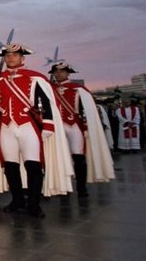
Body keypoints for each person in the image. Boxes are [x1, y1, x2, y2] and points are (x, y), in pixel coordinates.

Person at [0, 44, 73, 218]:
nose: (10, 58)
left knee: (33, 165)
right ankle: (17, 200)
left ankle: (34, 203)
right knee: (10, 166)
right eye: (7, 55)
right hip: (6, 125)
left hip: (28, 125)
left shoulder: (35, 78)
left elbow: (45, 102)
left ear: (23, 58)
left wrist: (48, 125)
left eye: (14, 55)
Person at [50, 62, 114, 197]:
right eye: (56, 71)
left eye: (62, 71)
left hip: (75, 126)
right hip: (58, 127)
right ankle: (63, 186)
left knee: (78, 156)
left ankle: (81, 186)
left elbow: (85, 110)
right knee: (59, 157)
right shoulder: (50, 89)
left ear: (68, 73)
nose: (58, 74)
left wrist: (85, 127)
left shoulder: (78, 89)